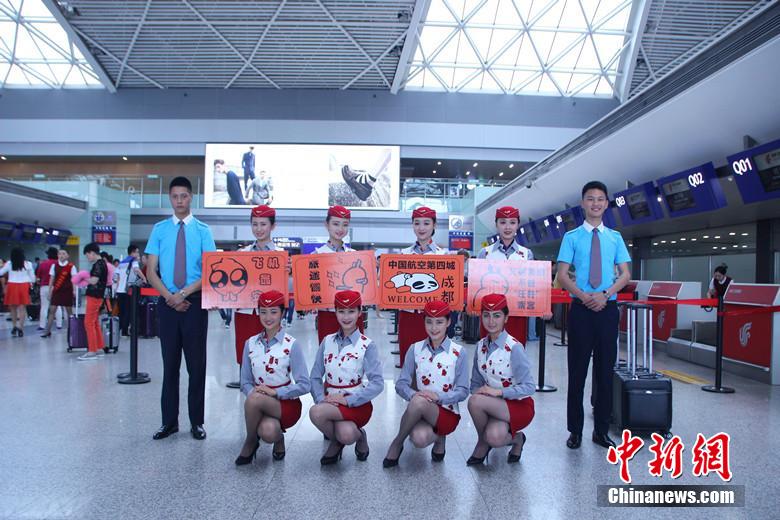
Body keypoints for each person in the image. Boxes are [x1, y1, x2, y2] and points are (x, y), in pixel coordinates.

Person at [556, 181, 631, 450]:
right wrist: (583, 295)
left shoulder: (615, 237)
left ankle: (601, 430)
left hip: (607, 310)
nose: (595, 203)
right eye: (590, 198)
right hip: (581, 310)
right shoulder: (572, 237)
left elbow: (625, 274)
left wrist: (605, 294)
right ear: (583, 203)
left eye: (600, 199)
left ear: (606, 204)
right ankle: (575, 431)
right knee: (577, 373)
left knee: (604, 373)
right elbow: (562, 275)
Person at [145, 176, 216, 441]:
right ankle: (169, 422)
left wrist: (183, 294)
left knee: (196, 367)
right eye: (175, 196)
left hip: (195, 303)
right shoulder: (159, 229)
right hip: (167, 304)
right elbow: (151, 271)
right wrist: (170, 297)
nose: (179, 201)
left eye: (183, 196)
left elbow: (210, 270)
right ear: (170, 198)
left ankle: (196, 422)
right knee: (170, 365)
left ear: (191, 197)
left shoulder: (203, 230)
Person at [383, 300, 468, 467]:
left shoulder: (459, 352)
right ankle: (438, 437)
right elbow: (401, 384)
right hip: (420, 409)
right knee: (418, 439)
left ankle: (397, 443)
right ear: (424, 322)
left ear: (448, 322)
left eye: (439, 322)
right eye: (429, 322)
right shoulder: (414, 349)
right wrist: (414, 395)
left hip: (447, 412)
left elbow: (463, 390)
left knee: (419, 402)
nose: (434, 328)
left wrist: (438, 397)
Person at [235, 290, 310, 465]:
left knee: (255, 399)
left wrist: (276, 393)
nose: (268, 317)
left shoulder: (292, 344)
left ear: (282, 313)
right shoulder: (250, 343)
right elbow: (245, 382)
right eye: (263, 312)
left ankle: (250, 441)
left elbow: (305, 384)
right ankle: (278, 438)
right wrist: (257, 396)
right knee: (268, 431)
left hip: (285, 404)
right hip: (258, 402)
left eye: (274, 312)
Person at [309, 290, 384, 465]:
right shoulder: (327, 341)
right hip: (329, 402)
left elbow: (378, 384)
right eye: (341, 311)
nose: (346, 316)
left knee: (316, 412)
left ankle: (340, 441)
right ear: (335, 312)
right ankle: (351, 438)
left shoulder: (367, 345)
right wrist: (321, 399)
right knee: (346, 433)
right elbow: (315, 377)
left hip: (357, 404)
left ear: (359, 312)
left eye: (351, 311)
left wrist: (347, 400)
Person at [466, 293, 536, 465]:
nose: (491, 321)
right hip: (493, 404)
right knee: (495, 437)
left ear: (506, 318)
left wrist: (498, 392)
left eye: (497, 316)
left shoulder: (514, 348)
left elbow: (529, 387)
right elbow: (474, 385)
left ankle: (483, 444)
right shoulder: (480, 346)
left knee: (475, 401)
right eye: (486, 315)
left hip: (519, 405)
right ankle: (516, 439)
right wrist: (484, 395)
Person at [233, 205, 284, 381]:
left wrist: (290, 273)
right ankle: (248, 394)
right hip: (245, 313)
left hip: (271, 314)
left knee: (271, 356)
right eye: (255, 224)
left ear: (272, 226)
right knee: (246, 357)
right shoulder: (241, 254)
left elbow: (288, 290)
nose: (259, 229)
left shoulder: (281, 256)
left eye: (263, 224)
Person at [397, 206, 449, 368]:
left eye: (426, 223)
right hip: (408, 317)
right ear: (412, 225)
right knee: (409, 363)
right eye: (417, 223)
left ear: (434, 225)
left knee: (433, 364)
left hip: (434, 318)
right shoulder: (403, 254)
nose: (421, 228)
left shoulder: (443, 255)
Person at [477, 206, 536, 343]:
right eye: (503, 222)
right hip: (490, 314)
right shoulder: (485, 253)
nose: (508, 227)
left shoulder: (526, 254)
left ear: (518, 225)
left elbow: (532, 286)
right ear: (496, 224)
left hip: (517, 314)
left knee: (516, 350)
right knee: (488, 351)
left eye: (512, 222)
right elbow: (477, 285)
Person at [312, 206, 364, 343]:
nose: (340, 229)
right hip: (327, 314)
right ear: (327, 225)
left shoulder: (355, 255)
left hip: (353, 315)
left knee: (356, 351)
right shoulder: (316, 256)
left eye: (345, 225)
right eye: (335, 224)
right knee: (328, 351)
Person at [78, 242, 108, 360]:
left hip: (94, 295)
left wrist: (83, 277)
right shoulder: (103, 263)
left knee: (88, 322)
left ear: (92, 253)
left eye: (87, 255)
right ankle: (99, 347)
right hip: (98, 296)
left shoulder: (98, 265)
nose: (88, 258)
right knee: (94, 322)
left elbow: (94, 281)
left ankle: (92, 350)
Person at [40, 249, 77, 338]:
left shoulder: (71, 266)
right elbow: (51, 279)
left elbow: (74, 280)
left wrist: (74, 290)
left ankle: (72, 330)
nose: (61, 255)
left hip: (67, 291)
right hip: (57, 291)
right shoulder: (54, 266)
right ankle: (47, 331)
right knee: (52, 310)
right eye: (60, 254)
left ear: (67, 255)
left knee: (69, 311)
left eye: (63, 254)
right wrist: (50, 290)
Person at [0, 247, 35, 337]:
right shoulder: (28, 264)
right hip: (24, 285)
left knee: (13, 308)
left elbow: (1, 272)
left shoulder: (9, 263)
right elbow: (32, 278)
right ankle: (21, 327)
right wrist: (31, 282)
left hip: (12, 285)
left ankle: (14, 325)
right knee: (22, 308)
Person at [116, 245, 147, 336]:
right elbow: (136, 270)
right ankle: (125, 332)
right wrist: (144, 278)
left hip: (119, 290)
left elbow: (116, 276)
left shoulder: (122, 262)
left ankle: (121, 330)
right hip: (127, 290)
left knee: (121, 311)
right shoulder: (133, 261)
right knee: (128, 311)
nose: (138, 254)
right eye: (137, 252)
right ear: (132, 252)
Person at [36, 247, 59, 331]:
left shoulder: (43, 264)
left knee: (44, 306)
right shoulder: (59, 264)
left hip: (44, 286)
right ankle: (59, 324)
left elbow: (38, 278)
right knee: (58, 306)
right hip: (57, 287)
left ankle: (42, 325)